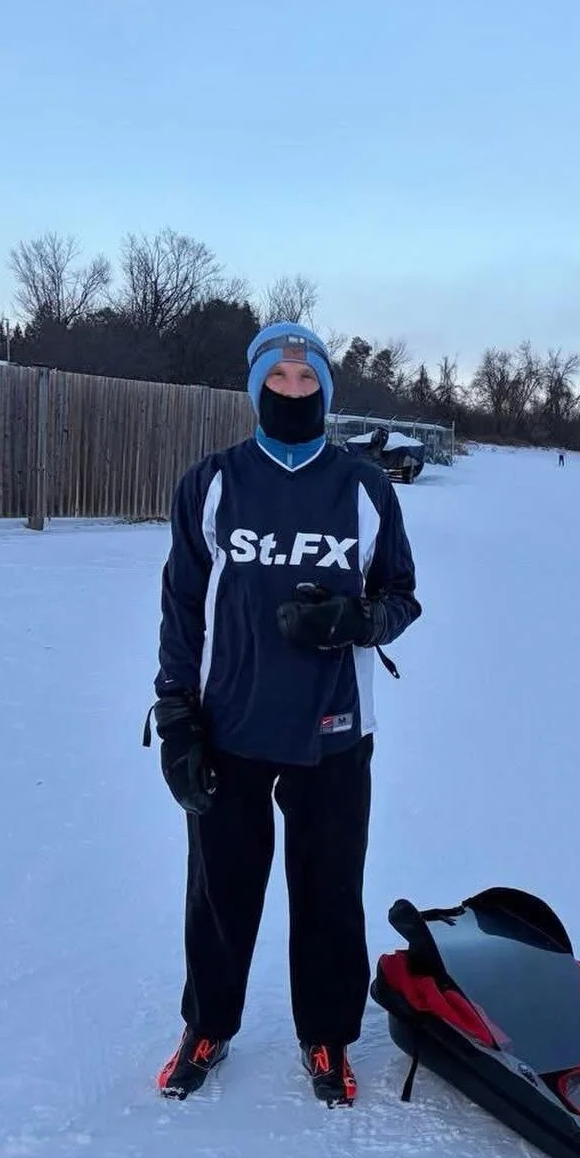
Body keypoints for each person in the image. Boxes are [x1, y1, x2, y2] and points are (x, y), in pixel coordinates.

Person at [148, 322, 421, 1106]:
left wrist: (357, 620)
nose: (293, 391)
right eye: (279, 379)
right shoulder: (213, 482)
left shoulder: (364, 487)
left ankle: (327, 1035)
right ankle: (208, 1024)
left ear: (326, 392)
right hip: (230, 725)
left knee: (330, 890)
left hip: (334, 731)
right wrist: (176, 712)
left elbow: (401, 596)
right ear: (256, 388)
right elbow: (183, 606)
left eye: (307, 381)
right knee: (220, 892)